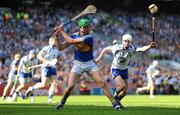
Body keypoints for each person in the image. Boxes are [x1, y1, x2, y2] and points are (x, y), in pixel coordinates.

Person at [54, 18, 122, 110]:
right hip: (77, 64)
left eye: (85, 27)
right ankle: (61, 103)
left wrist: (62, 31)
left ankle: (115, 104)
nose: (82, 29)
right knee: (70, 86)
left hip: (90, 63)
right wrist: (56, 37)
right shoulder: (74, 35)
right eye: (81, 27)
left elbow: (71, 41)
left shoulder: (89, 37)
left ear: (89, 28)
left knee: (102, 83)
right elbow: (60, 48)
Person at [95, 34, 156, 106]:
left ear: (131, 42)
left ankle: (117, 102)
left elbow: (142, 49)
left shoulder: (132, 48)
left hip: (124, 70)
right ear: (122, 41)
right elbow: (105, 49)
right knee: (122, 86)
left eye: (128, 41)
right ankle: (115, 97)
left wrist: (150, 46)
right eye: (125, 41)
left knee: (124, 92)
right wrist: (98, 59)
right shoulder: (116, 47)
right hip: (116, 69)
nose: (127, 43)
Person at [25, 37, 59, 103]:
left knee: (54, 83)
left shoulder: (56, 50)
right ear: (50, 41)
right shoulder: (46, 48)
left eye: (56, 41)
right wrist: (45, 61)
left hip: (52, 68)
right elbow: (38, 56)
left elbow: (54, 59)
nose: (55, 42)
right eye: (54, 41)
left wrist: (53, 62)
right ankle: (31, 88)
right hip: (45, 68)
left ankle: (50, 99)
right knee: (43, 84)